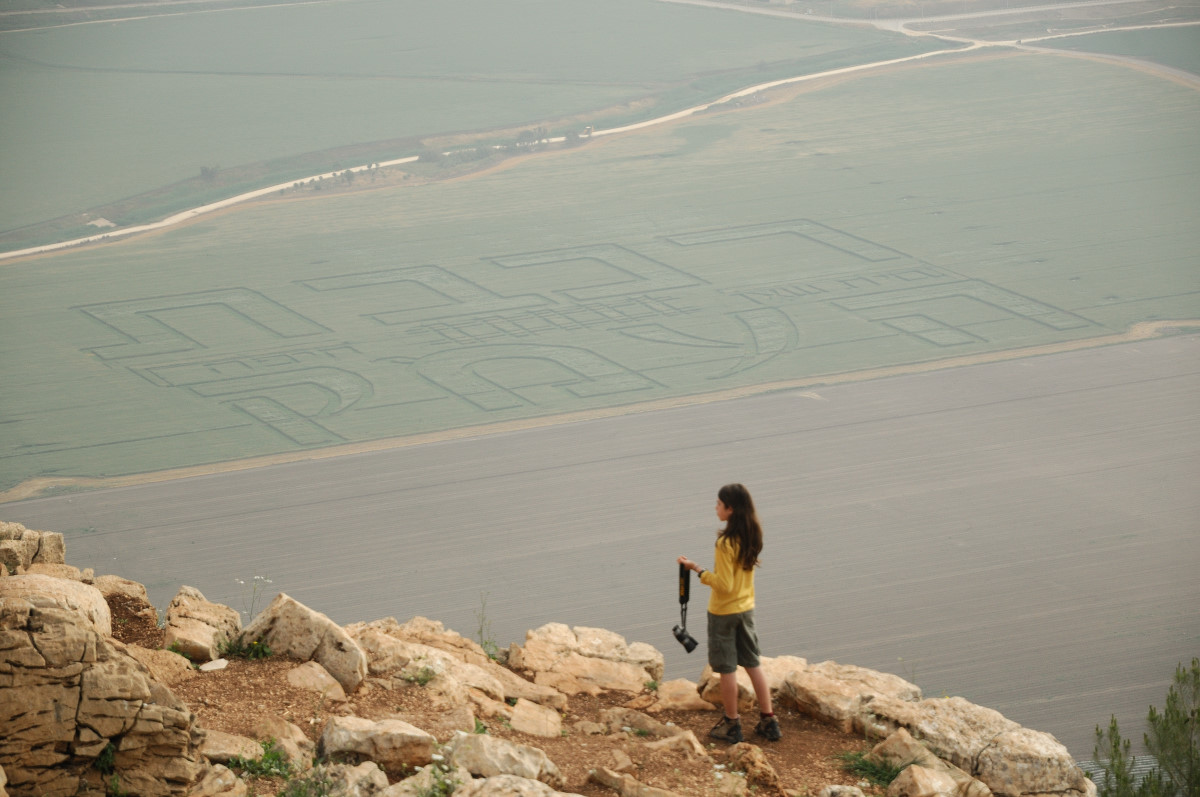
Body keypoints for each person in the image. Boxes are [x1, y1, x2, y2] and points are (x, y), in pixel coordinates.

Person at [677, 483, 781, 743]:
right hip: (746, 609)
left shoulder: (725, 543)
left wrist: (698, 570)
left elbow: (724, 585)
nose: (716, 507)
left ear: (730, 509)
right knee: (753, 664)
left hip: (723, 613)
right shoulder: (752, 535)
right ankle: (769, 720)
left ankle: (732, 723)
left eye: (719, 504)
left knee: (726, 669)